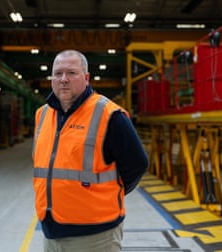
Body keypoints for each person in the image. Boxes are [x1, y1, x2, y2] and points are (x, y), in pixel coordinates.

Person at [32, 49, 149, 252]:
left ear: (86, 78)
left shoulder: (110, 115)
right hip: (51, 232)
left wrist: (110, 193)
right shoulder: (42, 115)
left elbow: (137, 165)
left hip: (95, 236)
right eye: (58, 73)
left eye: (71, 73)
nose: (63, 79)